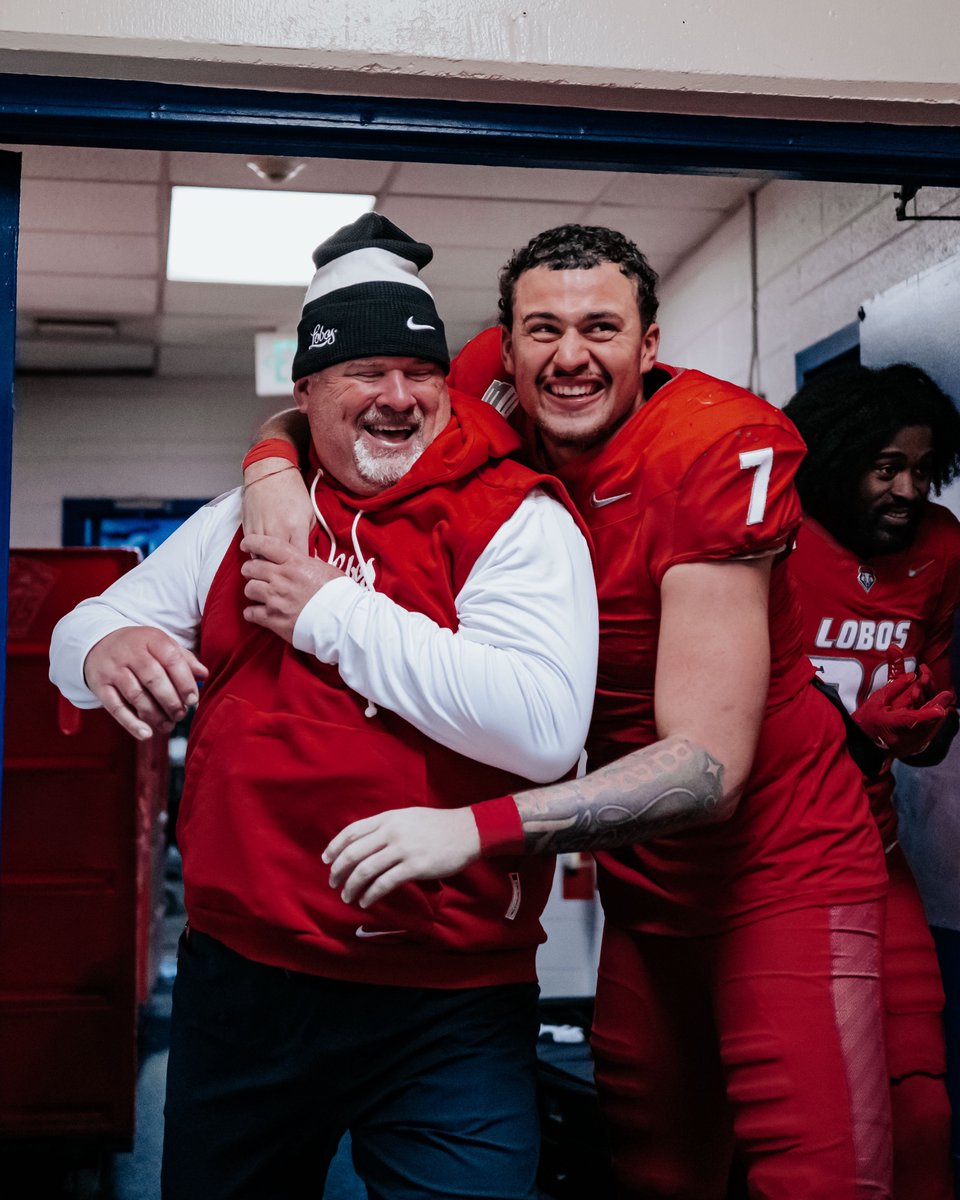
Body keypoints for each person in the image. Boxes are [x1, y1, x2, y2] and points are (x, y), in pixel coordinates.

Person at [243, 224, 893, 1199]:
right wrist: (270, 467)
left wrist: (473, 830)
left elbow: (707, 768)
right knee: (651, 1168)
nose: (571, 355)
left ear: (650, 345)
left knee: (825, 1175)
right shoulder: (476, 385)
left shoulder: (717, 446)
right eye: (543, 329)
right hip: (648, 884)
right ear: (504, 350)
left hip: (782, 861)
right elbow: (332, 401)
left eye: (602, 327)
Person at [48, 214, 599, 1200]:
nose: (397, 396)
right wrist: (104, 646)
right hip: (245, 983)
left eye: (419, 371)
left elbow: (541, 728)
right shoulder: (241, 515)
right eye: (364, 371)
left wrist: (327, 610)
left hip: (450, 995)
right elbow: (83, 624)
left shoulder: (517, 517)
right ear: (305, 395)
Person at [784, 363, 960, 1200]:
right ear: (836, 458)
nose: (907, 489)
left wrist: (927, 732)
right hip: (773, 871)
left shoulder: (942, 547)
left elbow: (923, 715)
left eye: (923, 470)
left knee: (924, 1109)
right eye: (885, 466)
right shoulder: (775, 538)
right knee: (811, 1123)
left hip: (878, 857)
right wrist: (856, 738)